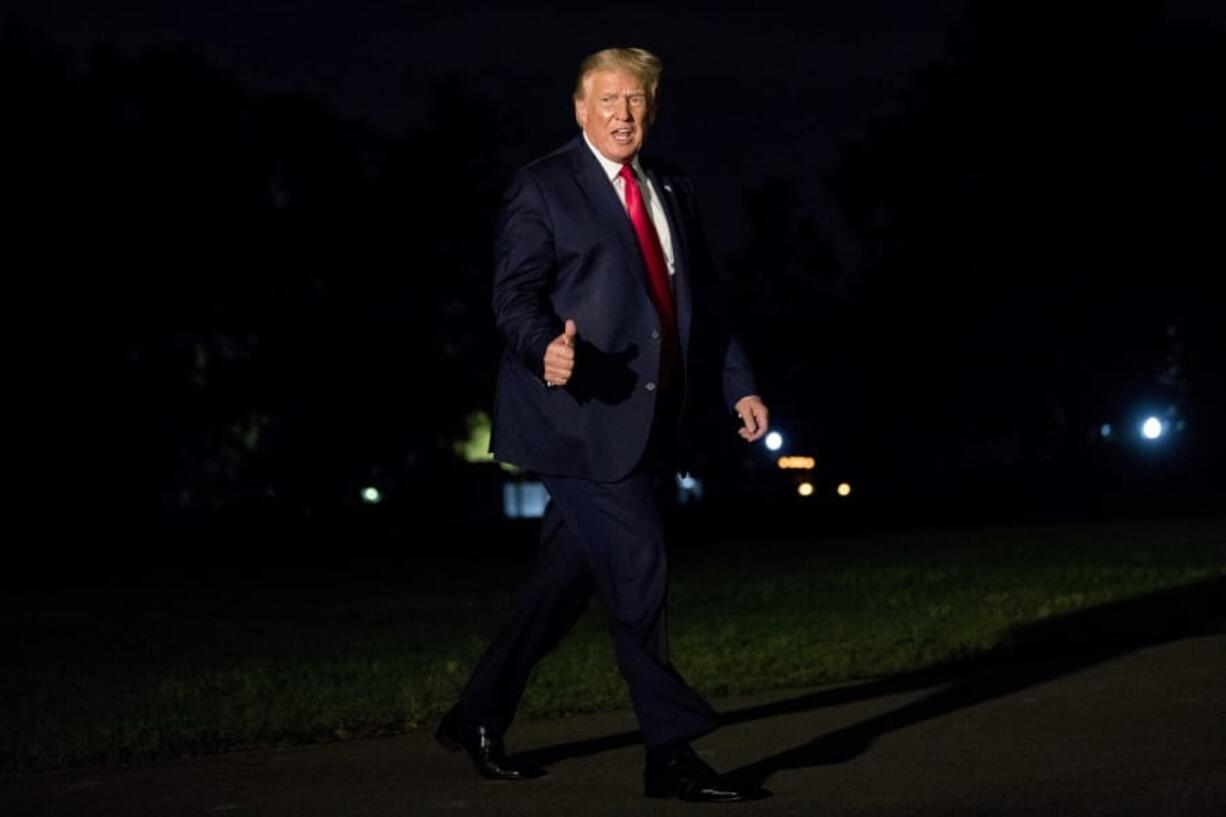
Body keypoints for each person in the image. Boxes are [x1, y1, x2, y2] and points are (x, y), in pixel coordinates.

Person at [435, 46, 770, 803]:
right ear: (581, 109)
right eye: (609, 99)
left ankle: (478, 713)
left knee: (565, 577)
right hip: (569, 418)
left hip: (648, 416)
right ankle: (670, 750)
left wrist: (736, 384)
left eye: (637, 101)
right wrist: (543, 346)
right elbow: (514, 297)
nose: (624, 113)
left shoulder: (673, 186)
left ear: (651, 110)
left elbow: (701, 303)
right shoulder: (544, 187)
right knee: (639, 557)